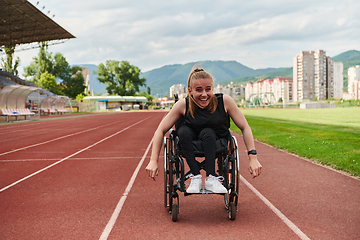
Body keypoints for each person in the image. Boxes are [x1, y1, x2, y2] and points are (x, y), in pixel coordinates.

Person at [145, 66, 262, 193]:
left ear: (213, 89)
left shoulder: (225, 102)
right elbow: (160, 130)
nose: (204, 94)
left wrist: (253, 157)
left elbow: (245, 127)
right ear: (190, 91)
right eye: (198, 90)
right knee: (182, 131)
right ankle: (196, 177)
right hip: (188, 142)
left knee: (208, 132)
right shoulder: (183, 105)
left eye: (208, 89)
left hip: (216, 142)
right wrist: (153, 160)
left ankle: (211, 178)